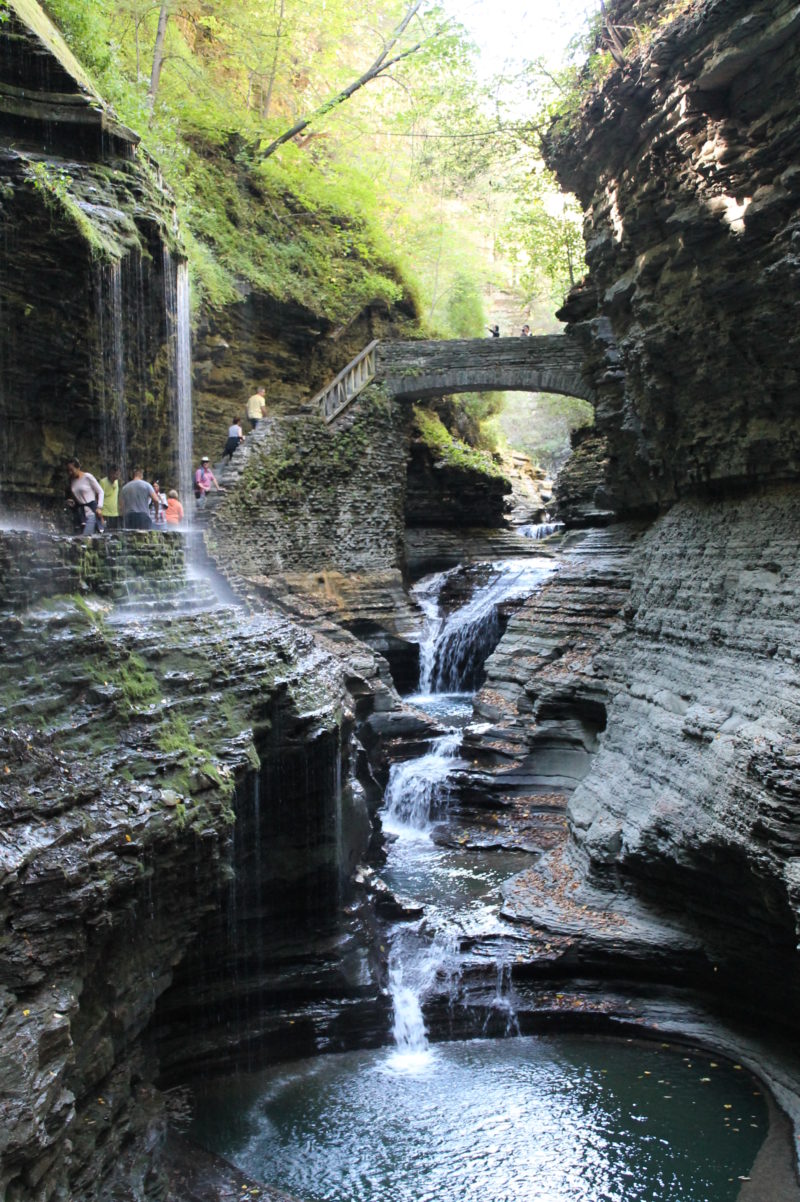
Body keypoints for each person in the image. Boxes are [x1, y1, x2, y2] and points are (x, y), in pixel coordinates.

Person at [66, 459, 104, 535]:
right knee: (79, 537)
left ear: (78, 468)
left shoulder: (88, 477)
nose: (70, 472)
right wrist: (72, 503)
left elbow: (100, 491)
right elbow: (77, 498)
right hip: (80, 512)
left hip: (91, 511)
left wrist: (99, 507)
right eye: (68, 471)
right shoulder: (71, 480)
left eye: (72, 470)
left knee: (86, 536)